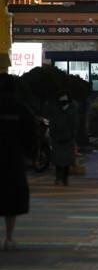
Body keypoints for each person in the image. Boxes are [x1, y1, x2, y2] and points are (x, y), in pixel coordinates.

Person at [0, 74, 37, 250]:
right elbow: (31, 131)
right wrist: (29, 154)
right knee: (11, 201)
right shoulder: (20, 107)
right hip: (13, 159)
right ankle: (8, 238)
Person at [50, 92, 78, 186]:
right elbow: (52, 123)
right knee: (60, 159)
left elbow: (74, 125)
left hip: (66, 138)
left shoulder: (70, 111)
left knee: (65, 160)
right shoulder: (58, 110)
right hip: (59, 138)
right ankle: (60, 178)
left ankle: (63, 178)